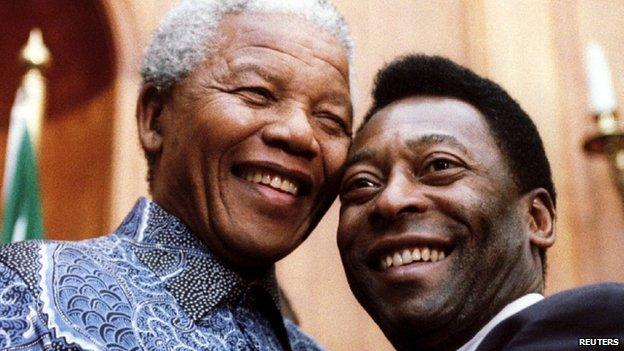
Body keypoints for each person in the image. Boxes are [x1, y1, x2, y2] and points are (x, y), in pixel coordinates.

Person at [0, 1, 354, 350]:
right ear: (155, 118)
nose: (299, 134)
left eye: (331, 120)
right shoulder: (33, 292)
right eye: (257, 93)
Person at [337, 54, 624, 351]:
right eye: (362, 183)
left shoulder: (594, 331)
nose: (390, 200)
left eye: (439, 166)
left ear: (536, 219)